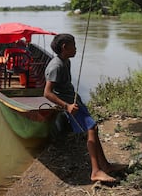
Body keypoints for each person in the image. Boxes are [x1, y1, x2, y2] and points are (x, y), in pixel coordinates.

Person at [44, 33, 124, 183]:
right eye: (73, 45)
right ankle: (96, 171)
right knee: (91, 128)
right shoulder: (56, 66)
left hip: (74, 101)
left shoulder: (65, 60)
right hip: (69, 105)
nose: (76, 48)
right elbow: (47, 93)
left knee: (93, 129)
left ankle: (105, 166)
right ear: (64, 47)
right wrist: (66, 106)